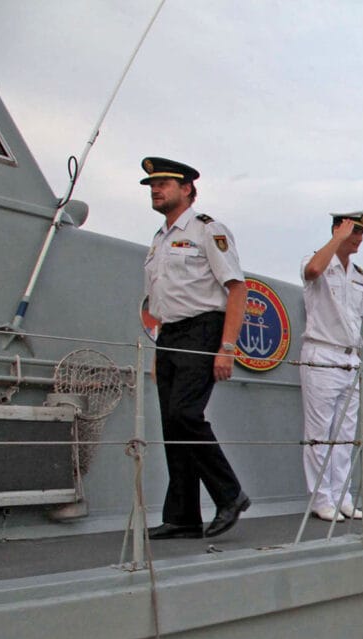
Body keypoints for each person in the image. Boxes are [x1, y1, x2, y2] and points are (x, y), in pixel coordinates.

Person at [140, 157, 250, 539]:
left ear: (186, 189)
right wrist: (159, 351)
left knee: (186, 413)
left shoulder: (207, 230)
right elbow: (162, 302)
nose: (156, 190)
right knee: (172, 425)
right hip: (169, 336)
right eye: (152, 185)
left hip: (202, 330)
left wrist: (227, 347)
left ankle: (230, 494)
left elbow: (237, 288)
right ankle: (183, 515)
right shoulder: (159, 240)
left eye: (164, 184)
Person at [299, 211, 363, 522]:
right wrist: (337, 239)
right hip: (322, 354)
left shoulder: (359, 274)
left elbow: (357, 316)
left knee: (344, 435)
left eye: (362, 232)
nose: (359, 238)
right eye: (354, 231)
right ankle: (321, 498)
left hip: (349, 357)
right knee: (319, 434)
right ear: (338, 230)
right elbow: (312, 271)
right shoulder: (317, 260)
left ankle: (343, 496)